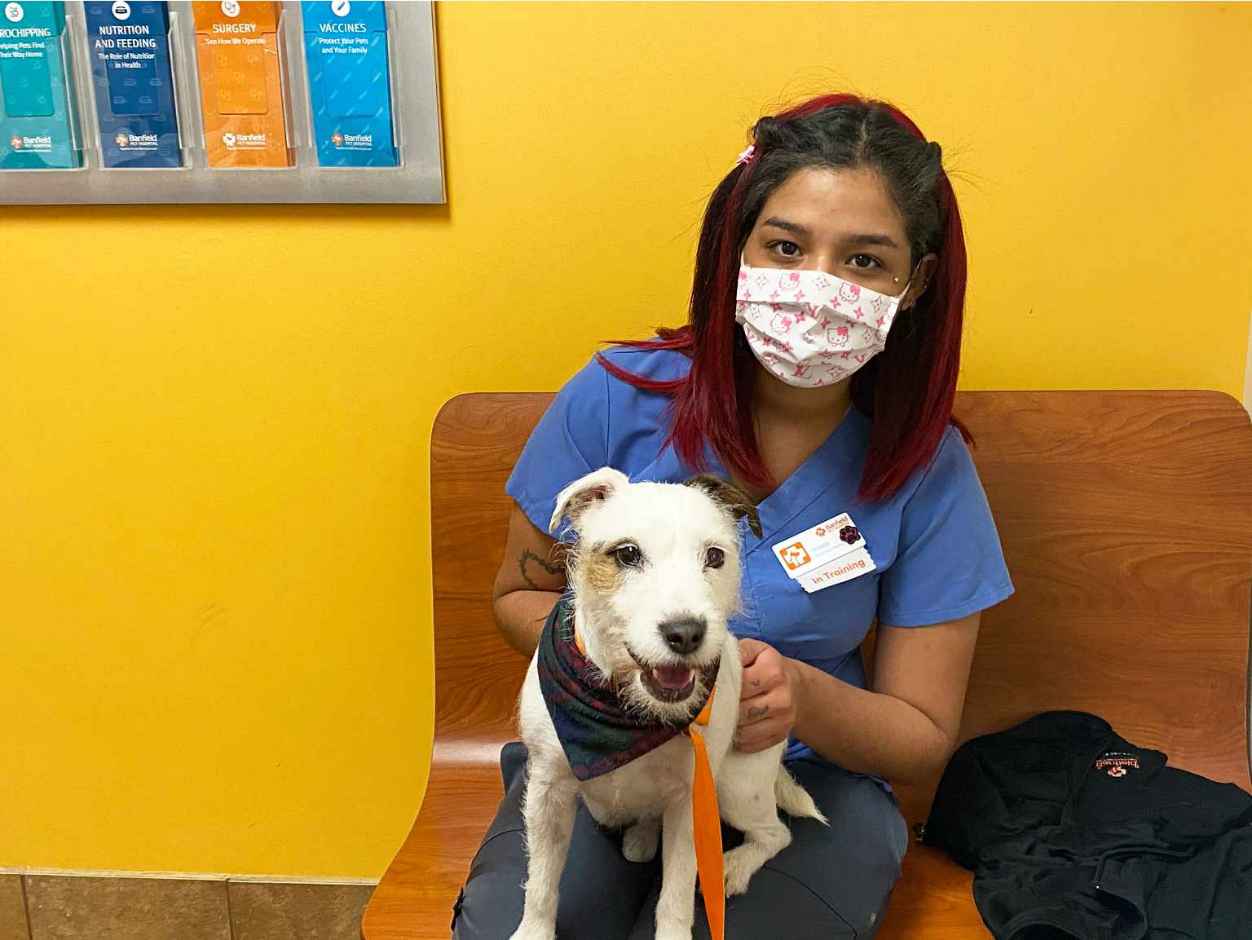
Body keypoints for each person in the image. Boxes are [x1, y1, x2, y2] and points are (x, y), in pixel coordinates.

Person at [451, 93, 1015, 939]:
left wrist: (796, 697)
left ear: (916, 282)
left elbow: (923, 736)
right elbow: (514, 598)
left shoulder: (924, 468)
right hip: (599, 751)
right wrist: (615, 662)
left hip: (802, 775)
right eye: (785, 247)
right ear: (736, 251)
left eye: (865, 261)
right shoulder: (619, 397)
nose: (818, 286)